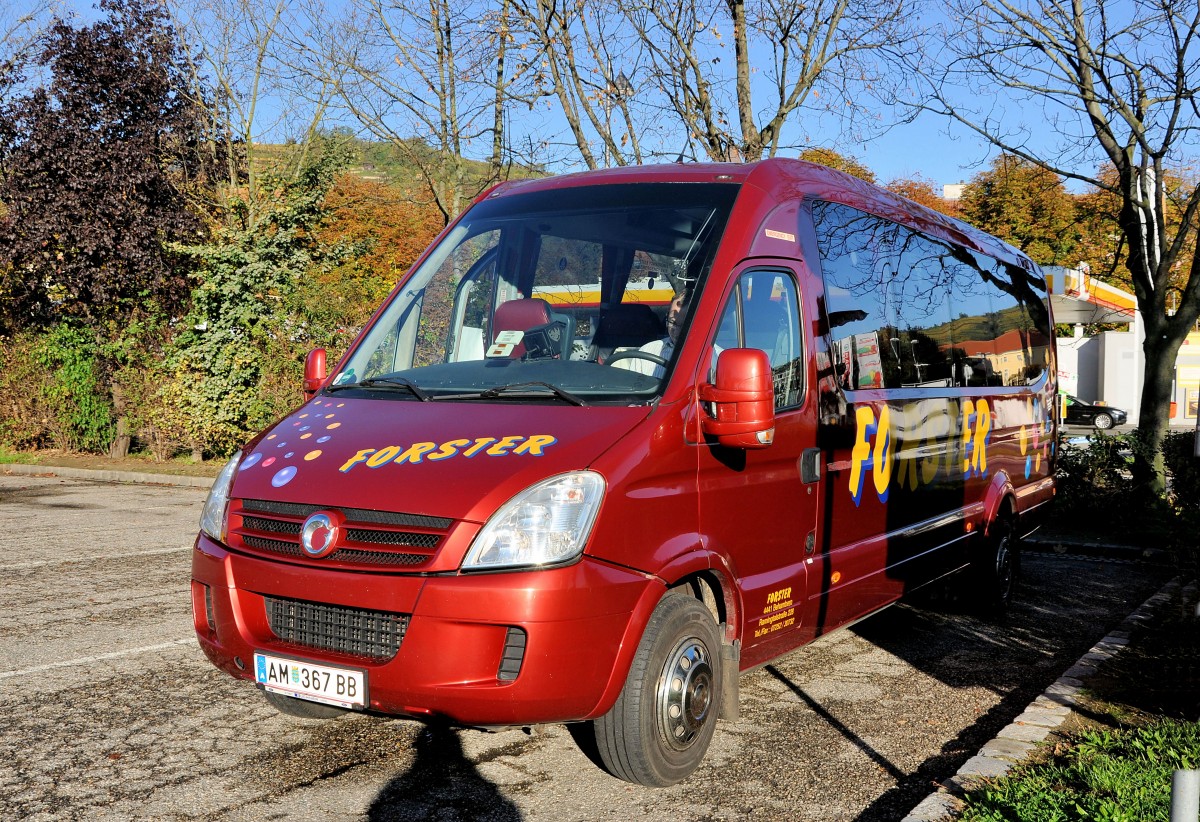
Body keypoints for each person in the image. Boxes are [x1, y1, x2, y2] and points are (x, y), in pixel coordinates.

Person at [612, 288, 690, 378]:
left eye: (684, 324)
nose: (676, 330)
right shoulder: (647, 351)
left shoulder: (707, 355)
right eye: (672, 322)